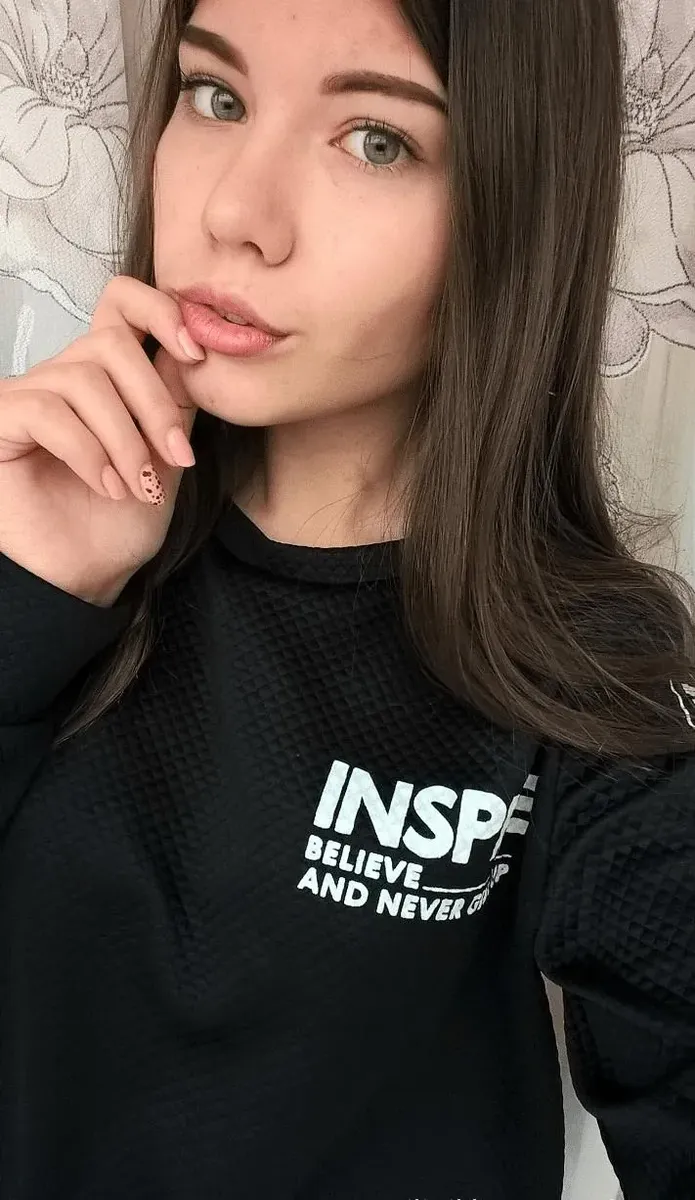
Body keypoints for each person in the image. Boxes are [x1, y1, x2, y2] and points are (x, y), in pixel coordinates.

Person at [0, 0, 693, 1196]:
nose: (236, 213)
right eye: (217, 96)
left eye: (376, 140)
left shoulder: (583, 666)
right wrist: (28, 600)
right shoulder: (47, 519)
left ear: (512, 198)